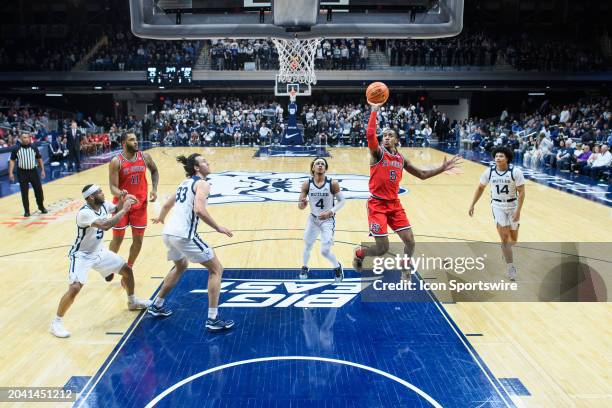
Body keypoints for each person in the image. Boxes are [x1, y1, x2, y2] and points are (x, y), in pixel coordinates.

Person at [352, 101, 461, 275]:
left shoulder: (401, 159)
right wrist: (374, 111)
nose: (386, 137)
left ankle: (405, 264)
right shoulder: (378, 153)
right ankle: (360, 253)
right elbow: (370, 134)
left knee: (410, 241)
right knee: (382, 248)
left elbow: (422, 175)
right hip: (377, 205)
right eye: (384, 135)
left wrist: (442, 168)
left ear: (396, 140)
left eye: (390, 135)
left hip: (394, 204)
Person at [147, 153, 235, 332]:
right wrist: (218, 227)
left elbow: (165, 206)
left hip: (169, 232)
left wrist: (162, 219)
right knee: (216, 269)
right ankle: (212, 318)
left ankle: (157, 305)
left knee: (180, 267)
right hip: (183, 234)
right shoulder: (202, 184)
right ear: (196, 168)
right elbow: (199, 210)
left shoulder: (184, 183)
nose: (208, 162)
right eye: (203, 161)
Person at [50, 185, 151, 338]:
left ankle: (132, 302)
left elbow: (115, 209)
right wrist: (125, 209)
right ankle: (56, 323)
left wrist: (123, 201)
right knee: (75, 288)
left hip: (99, 251)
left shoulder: (104, 205)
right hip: (82, 255)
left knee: (127, 270)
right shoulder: (84, 213)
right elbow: (105, 225)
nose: (103, 193)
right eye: (99, 192)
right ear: (91, 197)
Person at [107, 132, 159, 282]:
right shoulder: (116, 161)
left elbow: (154, 171)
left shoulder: (145, 157)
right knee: (118, 239)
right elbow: (112, 188)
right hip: (121, 206)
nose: (136, 142)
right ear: (124, 143)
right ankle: (109, 266)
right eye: (132, 140)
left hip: (140, 205)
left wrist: (154, 188)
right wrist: (121, 193)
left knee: (138, 241)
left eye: (136, 139)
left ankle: (128, 268)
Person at [468, 146, 526, 280]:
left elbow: (522, 192)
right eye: (496, 156)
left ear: (507, 159)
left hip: (513, 205)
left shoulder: (515, 172)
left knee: (514, 239)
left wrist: (518, 211)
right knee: (504, 237)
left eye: (501, 156)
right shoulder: (489, 172)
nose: (498, 158)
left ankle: (506, 250)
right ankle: (510, 267)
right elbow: (480, 188)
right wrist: (472, 204)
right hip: (497, 205)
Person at [298, 157, 345, 282]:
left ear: (325, 168)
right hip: (313, 219)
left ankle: (337, 267)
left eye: (322, 164)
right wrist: (302, 204)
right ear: (313, 167)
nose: (320, 165)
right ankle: (305, 267)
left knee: (324, 251)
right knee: (307, 245)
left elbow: (342, 201)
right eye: (317, 163)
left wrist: (331, 212)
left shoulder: (332, 183)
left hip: (327, 221)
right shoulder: (307, 184)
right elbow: (300, 206)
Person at [8, 133, 47, 216]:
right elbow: (12, 160)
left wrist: (43, 170)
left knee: (39, 191)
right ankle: (27, 211)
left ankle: (41, 206)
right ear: (20, 139)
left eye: (28, 137)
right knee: (24, 192)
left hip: (33, 171)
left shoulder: (33, 147)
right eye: (24, 137)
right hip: (22, 173)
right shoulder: (16, 148)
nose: (26, 139)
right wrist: (11, 173)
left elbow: (39, 158)